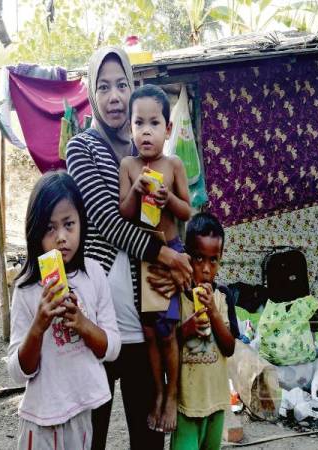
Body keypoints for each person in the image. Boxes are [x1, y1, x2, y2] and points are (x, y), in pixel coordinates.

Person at [66, 47, 192, 450]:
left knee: (148, 437)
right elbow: (105, 220)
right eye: (103, 87)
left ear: (134, 88)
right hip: (99, 318)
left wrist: (176, 263)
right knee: (93, 435)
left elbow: (176, 216)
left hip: (144, 316)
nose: (114, 96)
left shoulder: (151, 150)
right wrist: (164, 255)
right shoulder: (82, 148)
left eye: (122, 84)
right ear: (91, 92)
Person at [7, 171, 121, 450]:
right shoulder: (26, 288)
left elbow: (113, 348)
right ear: (34, 232)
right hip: (41, 419)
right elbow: (18, 372)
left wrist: (83, 323)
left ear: (81, 222)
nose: (61, 237)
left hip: (82, 413)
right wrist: (38, 325)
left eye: (69, 224)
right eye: (49, 228)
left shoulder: (93, 274)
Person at [119, 84, 192, 433]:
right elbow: (124, 211)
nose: (145, 131)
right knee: (149, 333)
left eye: (153, 123)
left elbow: (187, 211)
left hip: (172, 254)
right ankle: (159, 393)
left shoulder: (173, 164)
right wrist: (136, 189)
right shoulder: (129, 165)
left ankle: (173, 395)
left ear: (167, 128)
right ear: (130, 128)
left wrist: (167, 200)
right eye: (138, 123)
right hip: (145, 258)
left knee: (168, 334)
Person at [171, 213, 240, 450]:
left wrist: (214, 314)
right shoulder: (177, 297)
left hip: (216, 404)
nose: (206, 269)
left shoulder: (223, 297)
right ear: (187, 258)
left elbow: (230, 348)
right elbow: (167, 344)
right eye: (199, 259)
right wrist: (186, 330)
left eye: (213, 260)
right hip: (187, 404)